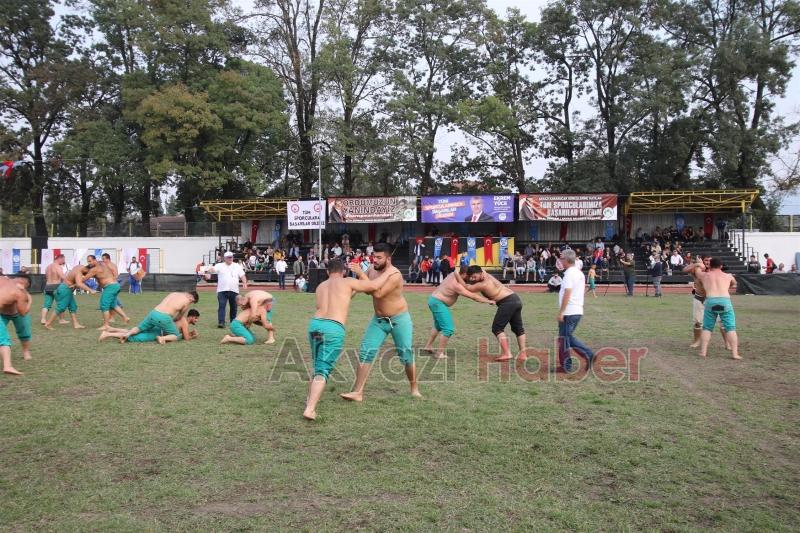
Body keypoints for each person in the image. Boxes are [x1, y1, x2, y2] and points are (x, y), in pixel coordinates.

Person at [303, 259, 393, 420]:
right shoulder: (348, 281)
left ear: (327, 271)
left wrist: (354, 289)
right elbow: (373, 287)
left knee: (317, 364)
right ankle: (310, 409)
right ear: (343, 271)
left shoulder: (321, 286)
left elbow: (336, 300)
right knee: (323, 370)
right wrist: (388, 272)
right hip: (333, 329)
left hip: (315, 326)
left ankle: (310, 399)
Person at [340, 243, 422, 402]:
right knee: (366, 352)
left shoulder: (394, 274)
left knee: (405, 355)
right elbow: (359, 286)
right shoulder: (371, 269)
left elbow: (378, 293)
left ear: (388, 258)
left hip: (399, 319)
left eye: (379, 257)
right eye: (373, 257)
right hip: (379, 320)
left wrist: (361, 275)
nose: (375, 260)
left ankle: (414, 387)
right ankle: (357, 392)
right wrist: (345, 298)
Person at [422, 267, 495, 359]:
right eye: (469, 276)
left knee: (438, 326)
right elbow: (473, 296)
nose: (470, 279)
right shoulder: (456, 285)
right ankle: (439, 353)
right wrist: (488, 301)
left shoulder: (454, 274)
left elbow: (459, 272)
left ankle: (428, 346)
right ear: (464, 275)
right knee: (448, 329)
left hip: (434, 300)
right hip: (438, 303)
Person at [464, 265, 526, 362]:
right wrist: (473, 275)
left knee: (497, 328)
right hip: (515, 298)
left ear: (480, 273)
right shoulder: (485, 274)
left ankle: (507, 353)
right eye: (471, 277)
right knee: (518, 329)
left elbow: (468, 288)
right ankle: (523, 354)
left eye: (474, 277)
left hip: (507, 302)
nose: (472, 279)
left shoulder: (483, 284)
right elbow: (479, 270)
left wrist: (457, 277)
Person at [103, 291, 200, 344]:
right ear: (192, 298)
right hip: (164, 318)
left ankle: (122, 333)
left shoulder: (174, 293)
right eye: (192, 302)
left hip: (154, 312)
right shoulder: (186, 301)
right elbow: (179, 317)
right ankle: (162, 339)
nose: (190, 303)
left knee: (138, 329)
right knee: (175, 335)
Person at [695, 258, 740, 359]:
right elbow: (734, 283)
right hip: (725, 301)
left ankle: (703, 352)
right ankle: (735, 354)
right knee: (730, 328)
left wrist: (700, 263)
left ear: (709, 266)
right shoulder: (728, 276)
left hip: (711, 301)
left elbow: (697, 272)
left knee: (707, 328)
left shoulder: (705, 275)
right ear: (721, 266)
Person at [556, 249, 594, 372]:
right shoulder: (579, 273)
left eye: (561, 258)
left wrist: (561, 312)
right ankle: (569, 364)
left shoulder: (569, 274)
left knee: (565, 339)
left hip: (569, 311)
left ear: (567, 260)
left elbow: (568, 292)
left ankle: (583, 357)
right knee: (565, 338)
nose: (560, 260)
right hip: (576, 310)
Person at [100, 309, 200, 344]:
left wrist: (190, 333)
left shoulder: (180, 318)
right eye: (196, 318)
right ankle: (107, 334)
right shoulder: (184, 322)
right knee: (135, 337)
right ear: (191, 317)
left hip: (158, 327)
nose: (196, 320)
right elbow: (185, 338)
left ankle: (111, 329)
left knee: (134, 330)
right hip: (158, 332)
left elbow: (181, 333)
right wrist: (193, 336)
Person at [82, 255, 128, 331]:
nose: (89, 263)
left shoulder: (95, 269)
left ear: (94, 260)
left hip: (110, 287)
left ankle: (106, 325)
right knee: (113, 304)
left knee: (104, 305)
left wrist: (75, 280)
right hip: (115, 285)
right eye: (88, 261)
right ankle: (125, 317)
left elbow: (85, 278)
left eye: (90, 261)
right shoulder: (102, 264)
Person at [204, 251, 248, 328]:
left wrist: (244, 283)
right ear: (225, 258)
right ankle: (221, 322)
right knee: (222, 306)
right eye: (228, 257)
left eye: (231, 257)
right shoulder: (220, 265)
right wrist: (207, 271)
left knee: (234, 307)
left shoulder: (237, 266)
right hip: (222, 290)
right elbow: (213, 269)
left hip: (234, 290)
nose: (230, 258)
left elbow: (242, 275)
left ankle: (233, 321)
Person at [0, 275, 33, 375]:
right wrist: (30, 300)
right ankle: (7, 366)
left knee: (24, 332)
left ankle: (26, 352)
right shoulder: (19, 293)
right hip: (3, 313)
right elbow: (23, 312)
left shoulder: (4, 280)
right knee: (3, 338)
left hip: (15, 313)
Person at [43, 265, 88, 330]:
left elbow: (75, 284)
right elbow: (78, 284)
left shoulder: (77, 271)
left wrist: (74, 285)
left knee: (73, 307)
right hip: (64, 289)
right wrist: (90, 290)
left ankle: (76, 324)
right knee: (61, 307)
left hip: (66, 289)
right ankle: (48, 324)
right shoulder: (78, 272)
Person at [102, 253, 131, 324]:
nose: (103, 260)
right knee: (113, 303)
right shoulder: (112, 265)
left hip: (111, 286)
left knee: (111, 303)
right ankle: (120, 317)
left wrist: (109, 282)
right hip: (113, 286)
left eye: (104, 259)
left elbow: (115, 276)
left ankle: (112, 317)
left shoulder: (109, 266)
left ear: (108, 259)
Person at [41, 254, 68, 325]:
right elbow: (62, 276)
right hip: (56, 286)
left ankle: (43, 319)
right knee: (61, 303)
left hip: (48, 286)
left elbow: (47, 277)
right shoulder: (58, 267)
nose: (63, 262)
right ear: (60, 258)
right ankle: (61, 320)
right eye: (63, 260)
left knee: (46, 305)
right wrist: (68, 282)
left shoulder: (48, 267)